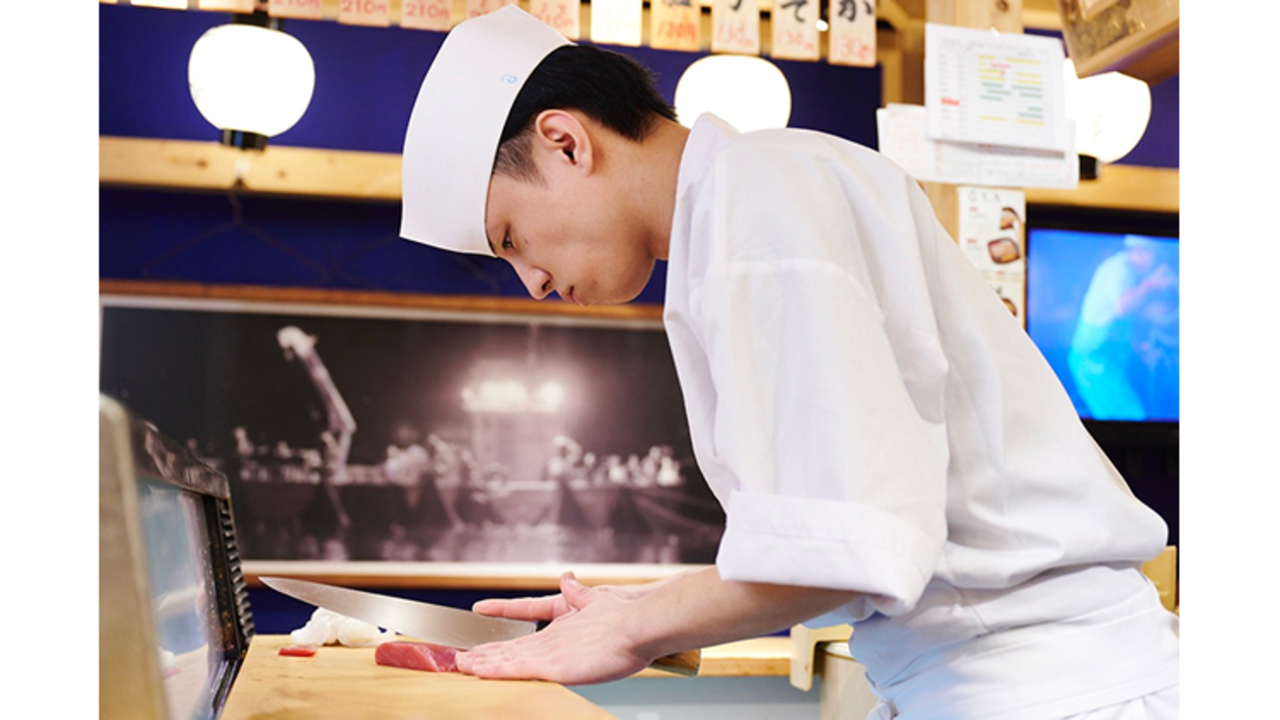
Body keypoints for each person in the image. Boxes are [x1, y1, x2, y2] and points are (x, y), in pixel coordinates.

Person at [398, 8, 1179, 718]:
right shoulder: (743, 203)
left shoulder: (758, 191)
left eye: (510, 238)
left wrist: (631, 626)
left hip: (1051, 688)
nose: (531, 281)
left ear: (565, 141)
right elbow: (833, 538)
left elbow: (840, 551)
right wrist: (635, 609)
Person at [1068, 235, 1177, 421]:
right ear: (1141, 251)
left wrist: (1139, 345)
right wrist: (1152, 285)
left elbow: (1125, 322)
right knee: (1130, 417)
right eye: (1156, 258)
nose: (1156, 265)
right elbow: (1122, 307)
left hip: (1108, 359)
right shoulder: (1120, 268)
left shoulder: (1130, 273)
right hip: (1095, 362)